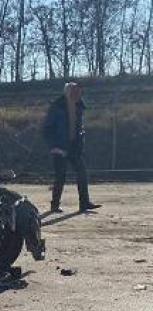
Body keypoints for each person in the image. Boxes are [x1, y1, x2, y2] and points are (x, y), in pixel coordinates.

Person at [42, 82, 102, 213]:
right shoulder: (57, 106)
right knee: (60, 177)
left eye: (78, 92)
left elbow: (79, 126)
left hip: (74, 146)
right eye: (74, 91)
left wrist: (80, 141)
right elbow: (47, 128)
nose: (77, 94)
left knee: (82, 173)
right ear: (67, 92)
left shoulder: (80, 106)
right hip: (60, 146)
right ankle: (55, 205)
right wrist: (54, 146)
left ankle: (84, 203)